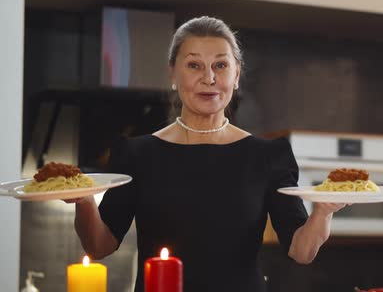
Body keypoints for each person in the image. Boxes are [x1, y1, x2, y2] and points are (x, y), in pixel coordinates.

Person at [71, 16, 345, 291]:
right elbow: (99, 246)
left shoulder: (269, 155)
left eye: (221, 65)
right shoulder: (136, 153)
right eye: (194, 65)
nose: (209, 78)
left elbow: (301, 251)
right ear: (173, 74)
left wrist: (323, 211)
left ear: (236, 75)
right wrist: (84, 201)